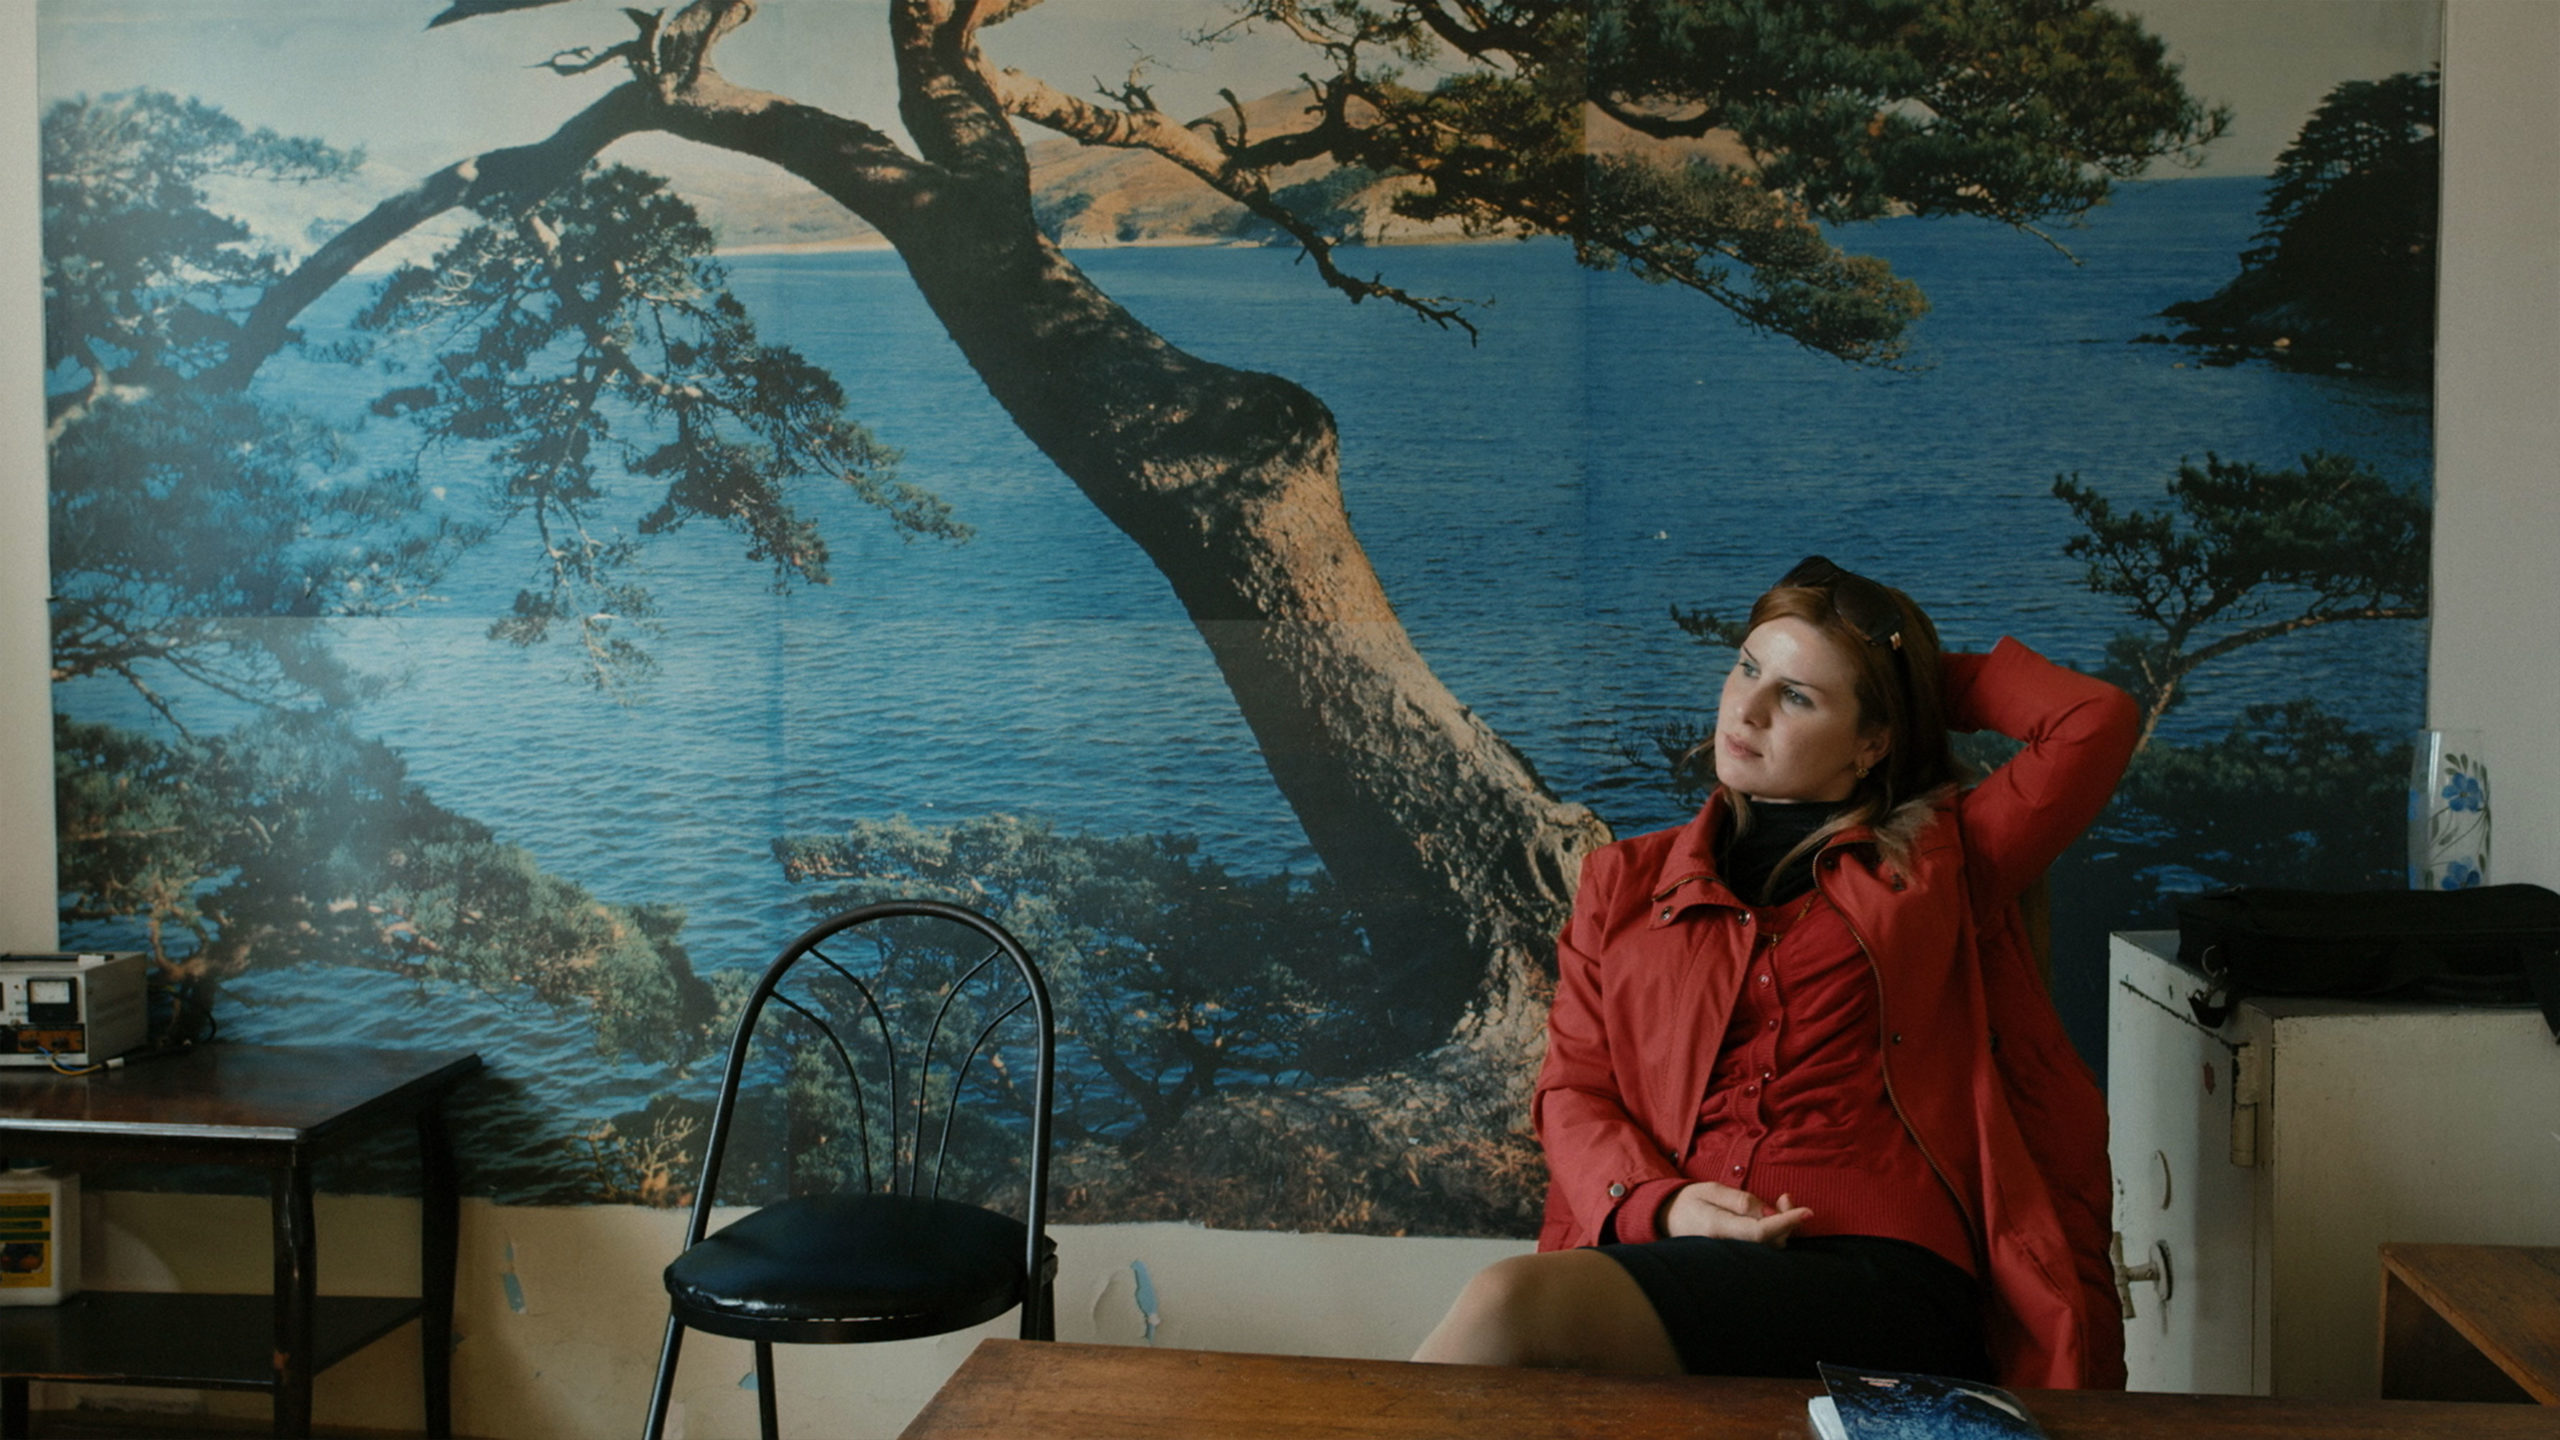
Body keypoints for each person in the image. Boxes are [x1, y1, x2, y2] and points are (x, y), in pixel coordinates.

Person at [1412, 555, 2138, 1388]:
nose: (1745, 709)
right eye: (1748, 668)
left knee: (1509, 1305)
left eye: (1797, 695)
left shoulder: (1943, 862)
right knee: (1518, 1346)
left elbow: (2095, 718)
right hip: (1681, 1249)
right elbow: (1573, 1090)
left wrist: (1910, 678)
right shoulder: (1623, 883)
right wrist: (1662, 1203)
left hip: (1883, 1278)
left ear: (1873, 741)